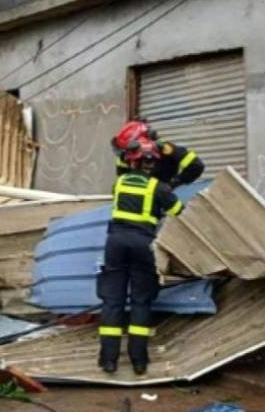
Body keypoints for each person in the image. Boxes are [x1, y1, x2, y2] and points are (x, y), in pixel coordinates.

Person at [98, 138, 184, 376]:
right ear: (153, 164)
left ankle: (109, 360)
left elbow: (121, 166)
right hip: (143, 245)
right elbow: (179, 211)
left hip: (115, 243)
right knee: (140, 302)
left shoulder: (120, 183)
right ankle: (138, 362)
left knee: (113, 302)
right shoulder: (159, 187)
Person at [110, 119, 205, 187]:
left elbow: (196, 165)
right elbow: (121, 178)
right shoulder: (124, 155)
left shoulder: (167, 150)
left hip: (162, 198)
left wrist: (174, 183)